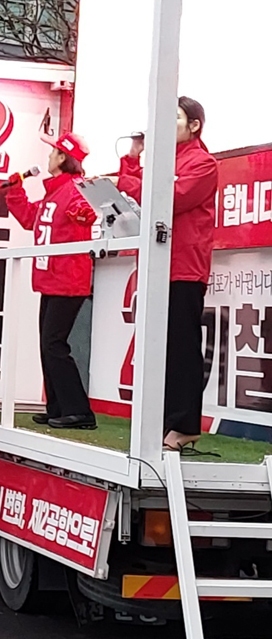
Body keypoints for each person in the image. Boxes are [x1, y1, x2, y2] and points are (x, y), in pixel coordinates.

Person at [116, 97, 218, 452]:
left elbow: (167, 199)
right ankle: (161, 421)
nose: (166, 124)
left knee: (181, 348)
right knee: (157, 348)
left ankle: (186, 424)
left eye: (174, 117)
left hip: (184, 267)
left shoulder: (203, 164)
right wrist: (132, 156)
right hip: (158, 265)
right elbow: (135, 192)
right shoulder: (162, 162)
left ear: (194, 125)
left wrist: (134, 182)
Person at [5, 132, 97, 430]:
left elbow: (88, 215)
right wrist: (15, 191)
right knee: (48, 345)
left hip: (68, 280)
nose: (48, 157)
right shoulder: (55, 192)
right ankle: (58, 407)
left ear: (62, 158)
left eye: (53, 153)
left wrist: (85, 214)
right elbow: (31, 218)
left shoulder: (75, 190)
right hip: (52, 279)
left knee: (54, 344)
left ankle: (78, 410)